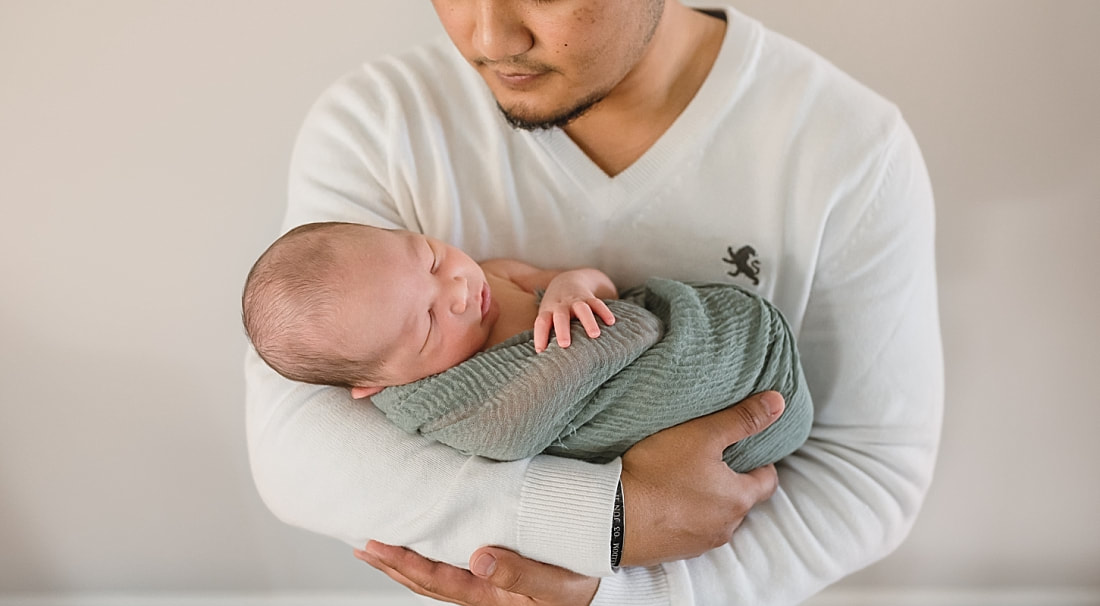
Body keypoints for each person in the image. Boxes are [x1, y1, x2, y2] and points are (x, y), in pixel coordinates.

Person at [244, 0, 944, 606]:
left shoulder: (846, 144)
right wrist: (609, 518)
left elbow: (871, 472)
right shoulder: (375, 124)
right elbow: (298, 444)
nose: (488, 39)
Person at [242, 221, 812, 471]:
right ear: (378, 383)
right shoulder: (467, 410)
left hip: (697, 333)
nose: (460, 290)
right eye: (431, 322)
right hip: (709, 405)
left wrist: (568, 286)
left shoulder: (493, 275)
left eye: (433, 259)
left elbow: (604, 288)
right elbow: (624, 334)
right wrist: (597, 330)